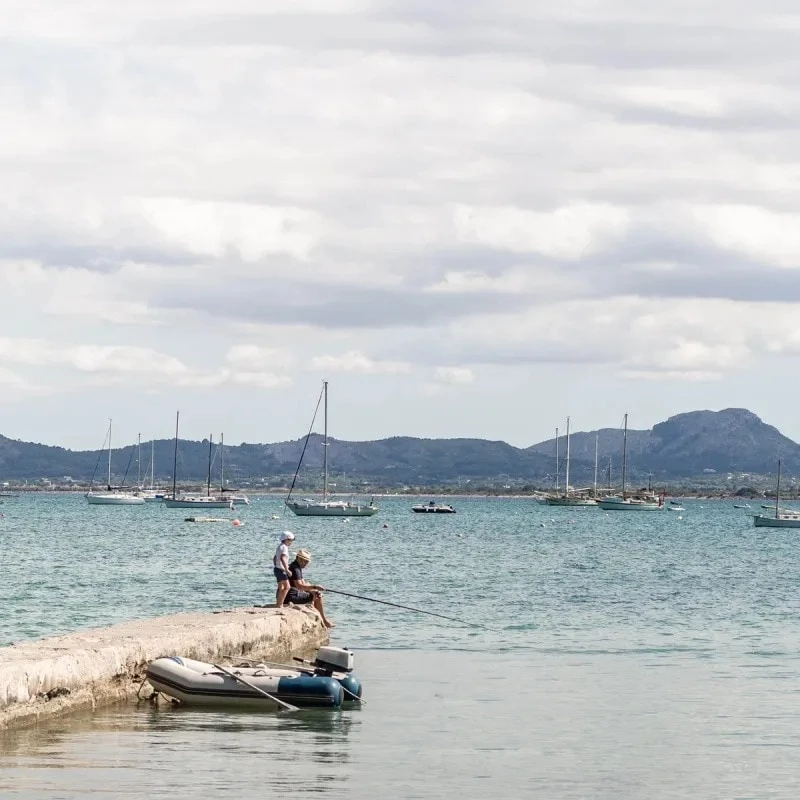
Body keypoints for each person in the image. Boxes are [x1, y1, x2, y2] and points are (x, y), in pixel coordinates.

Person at [286, 549, 334, 628]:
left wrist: (312, 590)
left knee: (315, 592)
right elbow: (299, 586)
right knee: (318, 596)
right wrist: (315, 587)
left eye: (307, 561)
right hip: (291, 597)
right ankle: (324, 621)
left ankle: (319, 618)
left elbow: (303, 584)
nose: (306, 563)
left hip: (292, 594)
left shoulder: (295, 566)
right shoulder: (295, 569)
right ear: (298, 558)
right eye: (304, 561)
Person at [273, 531, 295, 607]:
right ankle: (280, 604)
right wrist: (286, 569)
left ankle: (278, 603)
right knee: (287, 587)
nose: (291, 542)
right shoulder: (285, 548)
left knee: (281, 587)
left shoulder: (280, 546)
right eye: (291, 540)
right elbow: (283, 558)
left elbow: (275, 558)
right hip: (281, 570)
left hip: (277, 569)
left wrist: (276, 565)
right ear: (286, 539)